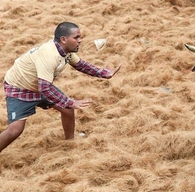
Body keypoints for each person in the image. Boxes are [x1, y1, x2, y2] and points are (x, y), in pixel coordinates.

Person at [0, 22, 121, 154]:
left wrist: (103, 73)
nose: (80, 41)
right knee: (15, 130)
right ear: (64, 39)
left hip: (39, 83)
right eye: (76, 37)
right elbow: (45, 88)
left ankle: (70, 143)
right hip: (20, 87)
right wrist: (70, 102)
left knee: (67, 110)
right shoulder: (49, 55)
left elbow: (81, 65)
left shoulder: (66, 52)